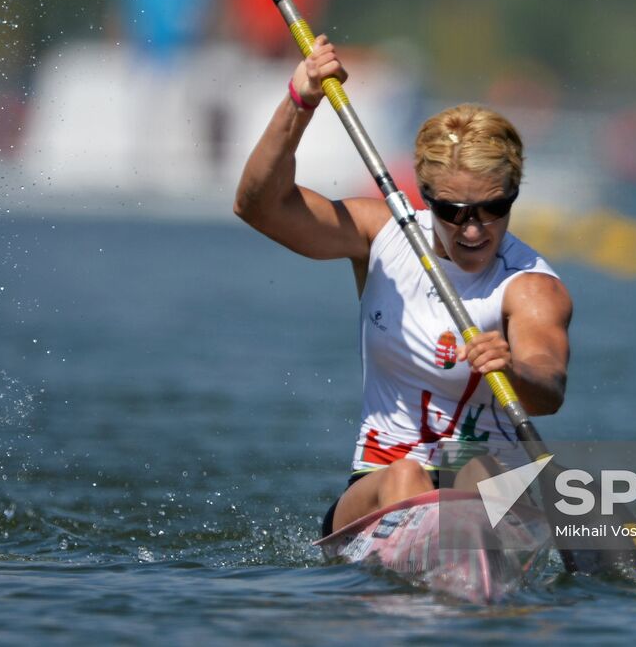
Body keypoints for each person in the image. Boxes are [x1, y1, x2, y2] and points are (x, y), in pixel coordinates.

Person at [233, 37, 572, 536]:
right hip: (379, 484)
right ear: (426, 196)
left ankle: (461, 554)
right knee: (408, 477)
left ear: (513, 195)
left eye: (493, 209)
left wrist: (514, 369)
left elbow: (548, 389)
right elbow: (258, 205)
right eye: (453, 211)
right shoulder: (382, 237)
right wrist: (300, 101)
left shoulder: (528, 286)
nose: (474, 229)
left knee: (478, 474)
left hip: (488, 490)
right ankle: (425, 545)